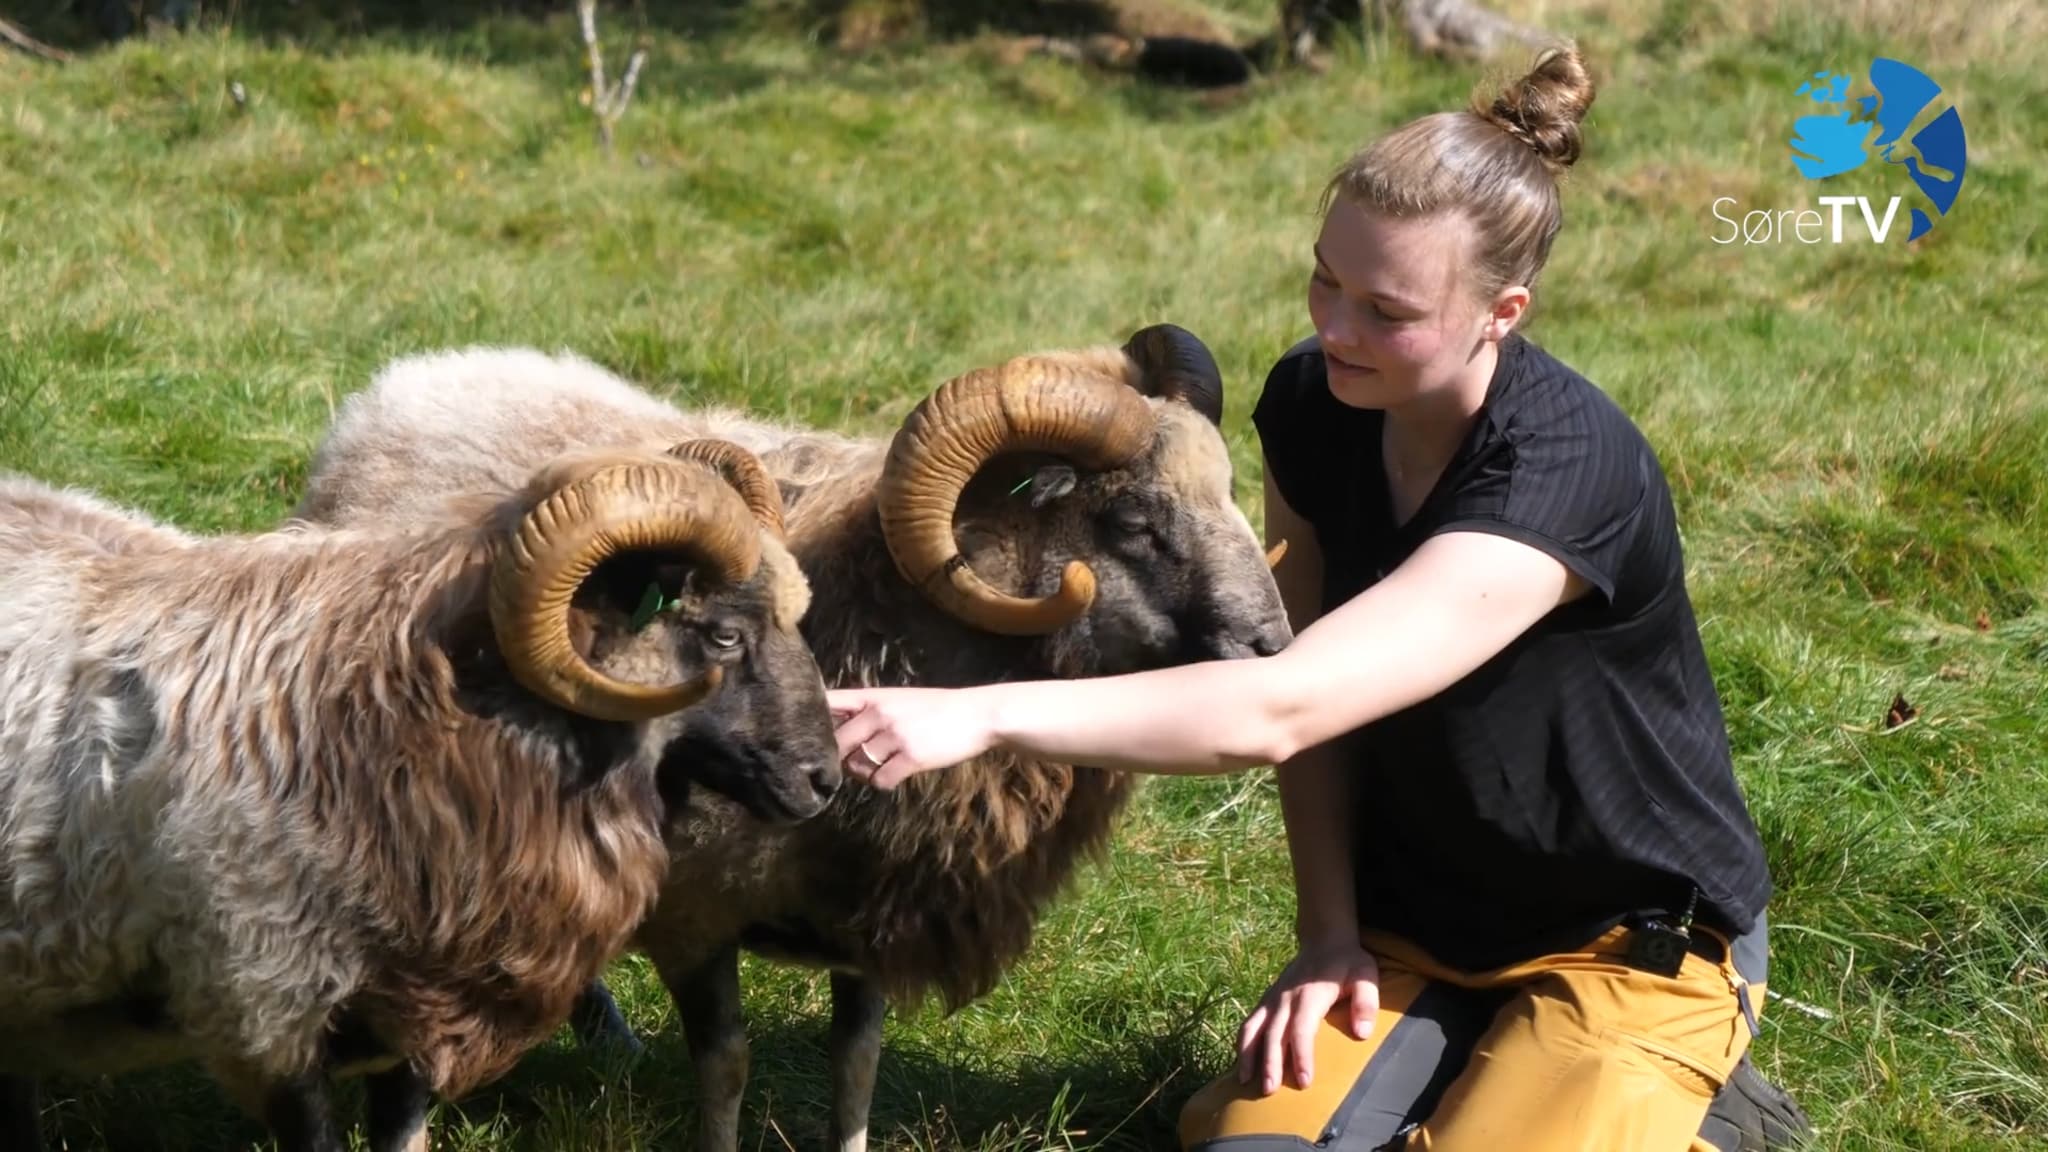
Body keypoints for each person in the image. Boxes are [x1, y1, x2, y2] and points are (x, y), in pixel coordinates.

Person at [826, 42, 1801, 1152]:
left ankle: (1712, 1114)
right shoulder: (1315, 399)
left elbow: (1275, 706)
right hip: (1417, 919)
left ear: (1504, 311)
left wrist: (982, 713)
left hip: (1627, 939)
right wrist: (1328, 932)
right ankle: (1490, 1063)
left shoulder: (1562, 471)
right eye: (1323, 281)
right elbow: (1304, 669)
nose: (1334, 330)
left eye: (1385, 311)